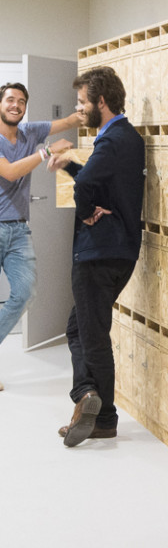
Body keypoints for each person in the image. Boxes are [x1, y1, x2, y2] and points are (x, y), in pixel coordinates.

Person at [47, 66, 145, 447]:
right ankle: (90, 398)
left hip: (98, 252)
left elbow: (89, 184)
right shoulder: (124, 136)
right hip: (120, 251)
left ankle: (98, 409)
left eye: (83, 102)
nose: (78, 108)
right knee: (82, 329)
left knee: (91, 334)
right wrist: (70, 165)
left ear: (101, 102)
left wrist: (86, 210)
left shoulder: (111, 139)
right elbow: (98, 176)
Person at [0, 81, 81, 390]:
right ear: (0, 103)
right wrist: (46, 151)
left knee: (25, 292)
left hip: (19, 229)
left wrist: (87, 109)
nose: (15, 105)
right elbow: (10, 172)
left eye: (21, 101)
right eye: (9, 100)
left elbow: (69, 121)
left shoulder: (29, 131)